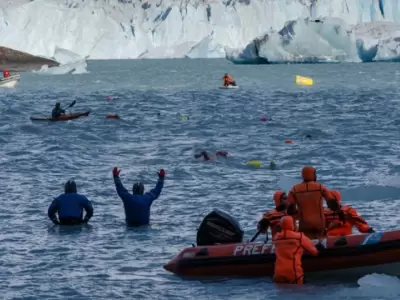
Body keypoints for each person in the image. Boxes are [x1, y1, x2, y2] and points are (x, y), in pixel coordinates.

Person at [286, 166, 335, 239]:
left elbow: (290, 209)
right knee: (321, 242)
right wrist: (338, 212)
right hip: (319, 224)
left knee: (307, 243)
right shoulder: (320, 187)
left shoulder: (295, 189)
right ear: (314, 175)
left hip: (304, 224)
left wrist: (296, 215)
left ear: (302, 175)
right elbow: (332, 202)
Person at [273, 216, 319, 284]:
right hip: (294, 273)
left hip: (278, 273)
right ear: (292, 224)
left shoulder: (276, 238)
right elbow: (314, 252)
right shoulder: (299, 237)